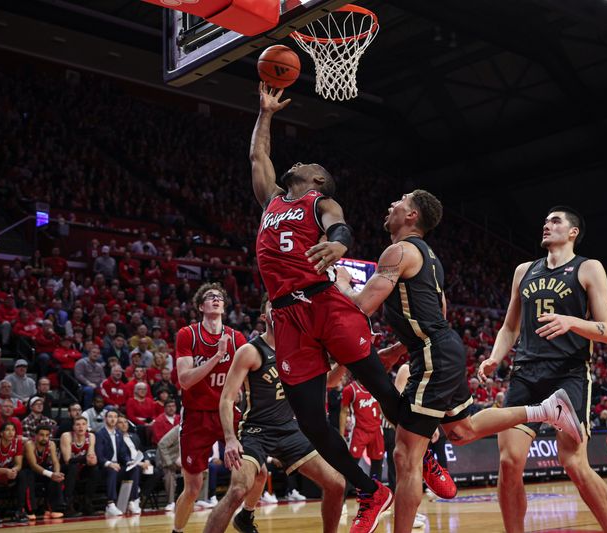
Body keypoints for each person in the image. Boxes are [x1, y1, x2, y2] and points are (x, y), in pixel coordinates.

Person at [335, 192, 582, 533]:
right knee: (462, 431)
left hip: (434, 355)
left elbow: (361, 305)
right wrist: (400, 347)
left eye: (401, 201)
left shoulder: (399, 251)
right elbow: (441, 310)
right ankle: (545, 410)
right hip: (443, 349)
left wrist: (343, 284)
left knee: (406, 456)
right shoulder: (431, 258)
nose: (392, 204)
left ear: (412, 215)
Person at [251, 82, 428, 532]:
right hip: (287, 317)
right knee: (311, 421)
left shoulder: (320, 200)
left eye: (309, 165)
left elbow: (340, 226)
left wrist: (335, 245)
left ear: (316, 180)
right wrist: (265, 114)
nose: (300, 163)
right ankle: (371, 490)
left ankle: (427, 462)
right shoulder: (272, 201)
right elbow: (258, 158)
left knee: (384, 392)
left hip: (324, 304)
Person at [477, 206, 607, 533]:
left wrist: (571, 321)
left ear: (573, 232)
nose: (546, 225)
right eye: (545, 221)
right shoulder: (524, 270)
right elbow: (509, 328)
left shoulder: (588, 268)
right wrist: (495, 358)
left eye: (555, 221)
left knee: (573, 464)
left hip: (567, 373)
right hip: (525, 372)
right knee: (509, 462)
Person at [206, 294, 345, 533]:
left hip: (289, 430)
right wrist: (229, 439)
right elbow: (227, 398)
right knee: (239, 489)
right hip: (256, 431)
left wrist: (344, 360)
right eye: (274, 305)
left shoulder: (301, 348)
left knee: (337, 484)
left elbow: (328, 382)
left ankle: (246, 518)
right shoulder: (250, 351)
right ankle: (242, 516)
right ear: (264, 316)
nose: (280, 308)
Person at [172, 283, 247, 533]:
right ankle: (177, 531)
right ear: (201, 306)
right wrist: (216, 357)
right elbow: (185, 380)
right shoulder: (188, 335)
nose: (215, 299)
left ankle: (246, 516)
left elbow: (248, 379)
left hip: (228, 412)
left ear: (224, 306)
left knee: (257, 471)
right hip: (196, 416)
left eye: (219, 297)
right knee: (193, 487)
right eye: (209, 297)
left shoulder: (237, 338)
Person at [95, 409, 141, 516]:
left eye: (115, 417)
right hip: (104, 467)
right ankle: (110, 504)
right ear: (105, 419)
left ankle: (132, 501)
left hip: (118, 466)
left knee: (134, 468)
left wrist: (128, 462)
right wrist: (110, 464)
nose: (113, 419)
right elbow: (99, 455)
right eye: (110, 417)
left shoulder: (119, 434)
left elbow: (123, 453)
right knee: (112, 470)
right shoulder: (100, 434)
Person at [340, 378, 384, 482]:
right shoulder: (350, 389)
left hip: (376, 430)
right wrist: (341, 434)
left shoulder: (376, 386)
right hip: (359, 431)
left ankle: (375, 495)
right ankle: (342, 496)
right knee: (351, 465)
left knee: (377, 465)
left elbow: (381, 408)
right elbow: (343, 412)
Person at [0, 422, 28, 523]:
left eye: (13, 430)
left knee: (22, 474)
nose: (11, 432)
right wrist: (6, 471)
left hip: (6, 473)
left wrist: (13, 470)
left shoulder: (17, 443)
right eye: (8, 430)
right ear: (1, 433)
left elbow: (18, 465)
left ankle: (20, 509)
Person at [59, 416, 98, 517]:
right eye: (78, 424)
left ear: (87, 426)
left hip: (80, 467)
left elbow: (90, 456)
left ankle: (87, 502)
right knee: (73, 467)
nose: (81, 427)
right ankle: (68, 504)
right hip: (64, 469)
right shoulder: (67, 436)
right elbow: (67, 460)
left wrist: (92, 460)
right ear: (73, 427)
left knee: (95, 469)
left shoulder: (91, 436)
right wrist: (87, 459)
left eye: (83, 424)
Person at [24, 425, 65, 519]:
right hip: (28, 470)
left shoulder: (51, 444)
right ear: (35, 435)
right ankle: (30, 510)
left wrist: (57, 473)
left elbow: (55, 462)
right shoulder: (29, 444)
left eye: (47, 435)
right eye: (42, 435)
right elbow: (33, 465)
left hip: (42, 470)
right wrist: (51, 474)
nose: (45, 438)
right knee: (28, 476)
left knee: (55, 478)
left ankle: (52, 509)